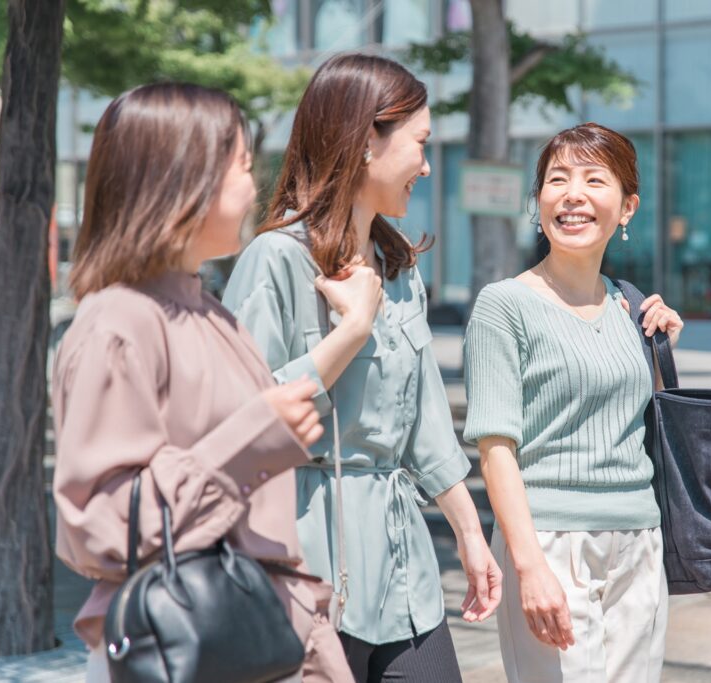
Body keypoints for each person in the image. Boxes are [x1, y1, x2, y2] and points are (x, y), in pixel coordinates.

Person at [51, 82, 353, 682]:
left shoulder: (212, 312)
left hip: (257, 638)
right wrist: (250, 443)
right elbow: (101, 525)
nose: (254, 187)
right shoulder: (119, 322)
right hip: (184, 648)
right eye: (242, 166)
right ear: (183, 179)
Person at [222, 53, 501, 683]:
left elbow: (426, 423)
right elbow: (244, 420)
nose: (428, 167)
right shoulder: (275, 261)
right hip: (303, 559)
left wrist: (470, 535)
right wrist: (352, 330)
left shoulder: (399, 268)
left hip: (404, 564)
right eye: (421, 144)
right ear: (365, 142)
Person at [463, 122, 685, 683]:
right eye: (557, 179)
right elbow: (495, 448)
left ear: (627, 207)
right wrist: (528, 565)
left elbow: (636, 426)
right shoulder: (503, 305)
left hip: (639, 538)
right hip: (549, 540)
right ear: (537, 201)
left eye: (594, 180)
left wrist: (660, 352)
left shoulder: (631, 307)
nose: (573, 195)